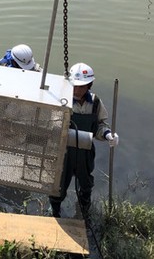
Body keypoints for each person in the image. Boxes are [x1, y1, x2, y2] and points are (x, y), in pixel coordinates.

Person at [48, 62, 119, 219]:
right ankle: (54, 212)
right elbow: (51, 126)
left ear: (89, 85)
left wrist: (108, 135)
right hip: (63, 152)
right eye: (75, 85)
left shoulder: (95, 103)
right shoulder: (62, 100)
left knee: (86, 184)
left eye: (82, 86)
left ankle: (83, 210)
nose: (77, 90)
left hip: (85, 151)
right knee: (58, 184)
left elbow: (100, 125)